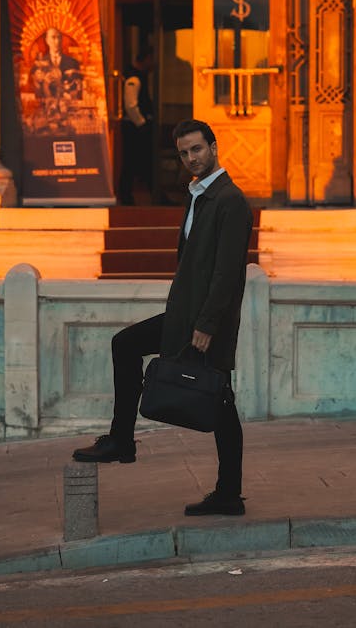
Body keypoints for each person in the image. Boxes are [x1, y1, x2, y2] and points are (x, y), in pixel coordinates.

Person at [73, 118, 253, 516]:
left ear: (214, 147)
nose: (191, 158)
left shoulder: (229, 201)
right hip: (182, 317)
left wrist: (206, 325)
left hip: (206, 324)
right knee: (127, 344)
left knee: (220, 402)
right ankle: (123, 440)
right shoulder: (197, 197)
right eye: (184, 152)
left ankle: (227, 493)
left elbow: (227, 273)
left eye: (198, 149)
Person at [118, 48, 154, 205]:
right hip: (133, 126)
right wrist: (141, 123)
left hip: (136, 125)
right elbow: (131, 105)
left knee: (136, 160)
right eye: (152, 59)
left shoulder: (140, 77)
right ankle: (126, 194)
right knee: (130, 160)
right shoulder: (134, 78)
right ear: (145, 59)